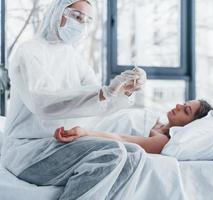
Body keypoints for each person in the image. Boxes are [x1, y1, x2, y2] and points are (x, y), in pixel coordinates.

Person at [1, 0, 147, 199]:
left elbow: (100, 102)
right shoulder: (29, 51)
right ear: (57, 11)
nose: (81, 24)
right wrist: (103, 92)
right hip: (28, 150)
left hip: (59, 145)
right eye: (76, 16)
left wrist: (125, 90)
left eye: (87, 21)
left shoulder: (72, 57)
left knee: (135, 155)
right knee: (111, 153)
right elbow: (43, 103)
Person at [54, 100, 213, 154]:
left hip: (84, 129)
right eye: (184, 103)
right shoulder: (157, 123)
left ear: (190, 125)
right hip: (87, 117)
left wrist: (85, 132)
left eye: (186, 110)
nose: (178, 105)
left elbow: (122, 139)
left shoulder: (162, 140)